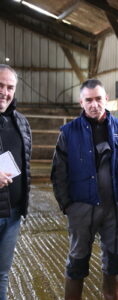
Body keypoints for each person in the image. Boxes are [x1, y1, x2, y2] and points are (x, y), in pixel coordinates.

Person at [51, 78, 118, 300]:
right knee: (77, 261)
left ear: (106, 99)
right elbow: (58, 173)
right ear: (81, 102)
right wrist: (68, 205)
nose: (94, 104)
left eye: (98, 99)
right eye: (88, 100)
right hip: (82, 208)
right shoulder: (68, 133)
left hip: (117, 208)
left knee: (115, 262)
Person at [0, 64, 32, 299]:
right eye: (0, 85)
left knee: (2, 272)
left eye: (10, 87)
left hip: (12, 214)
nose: (5, 92)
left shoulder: (21, 122)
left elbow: (26, 163)